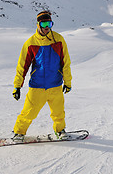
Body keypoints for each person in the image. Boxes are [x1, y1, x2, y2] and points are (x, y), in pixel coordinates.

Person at [12, 10, 72, 141]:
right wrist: (17, 86)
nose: (46, 28)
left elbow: (65, 62)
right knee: (29, 112)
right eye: (44, 24)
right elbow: (22, 66)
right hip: (37, 86)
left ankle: (60, 130)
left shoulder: (59, 40)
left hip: (55, 84)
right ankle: (19, 132)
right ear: (38, 24)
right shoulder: (31, 43)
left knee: (59, 113)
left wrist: (68, 82)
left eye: (49, 24)